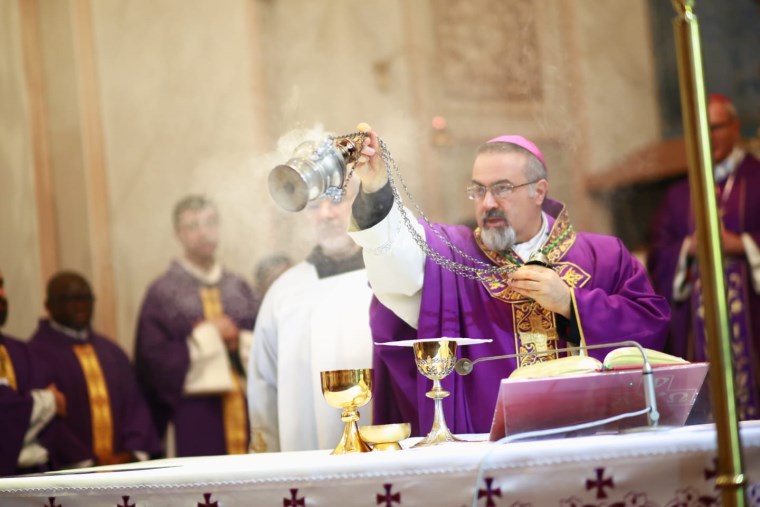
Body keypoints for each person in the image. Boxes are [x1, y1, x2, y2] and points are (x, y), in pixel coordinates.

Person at [347, 128, 670, 436]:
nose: (487, 203)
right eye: (478, 190)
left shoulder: (604, 255)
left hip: (591, 442)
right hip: (486, 453)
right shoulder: (453, 255)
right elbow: (397, 258)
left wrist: (571, 304)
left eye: (502, 188)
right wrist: (376, 189)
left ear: (539, 191)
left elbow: (652, 327)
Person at [648, 94, 760, 420]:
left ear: (735, 127)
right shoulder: (679, 194)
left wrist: (740, 244)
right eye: (700, 130)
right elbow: (658, 253)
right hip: (699, 326)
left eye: (716, 127)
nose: (708, 138)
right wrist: (688, 248)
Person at [247, 179, 374, 452]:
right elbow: (263, 388)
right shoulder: (284, 293)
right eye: (315, 205)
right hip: (304, 468)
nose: (326, 214)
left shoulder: (388, 278)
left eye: (337, 200)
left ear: (360, 201)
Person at [135, 195, 260, 457]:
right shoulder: (162, 293)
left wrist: (238, 340)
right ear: (178, 234)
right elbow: (152, 364)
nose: (204, 233)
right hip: (196, 417)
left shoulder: (239, 286)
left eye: (210, 223)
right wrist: (208, 336)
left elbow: (266, 346)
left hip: (248, 412)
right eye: (193, 226)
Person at [28, 271, 160, 466]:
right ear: (49, 306)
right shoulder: (33, 355)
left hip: (124, 469)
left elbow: (135, 407)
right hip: (70, 474)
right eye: (70, 299)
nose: (81, 305)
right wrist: (85, 461)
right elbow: (45, 420)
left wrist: (132, 452)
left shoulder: (112, 352)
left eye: (86, 298)